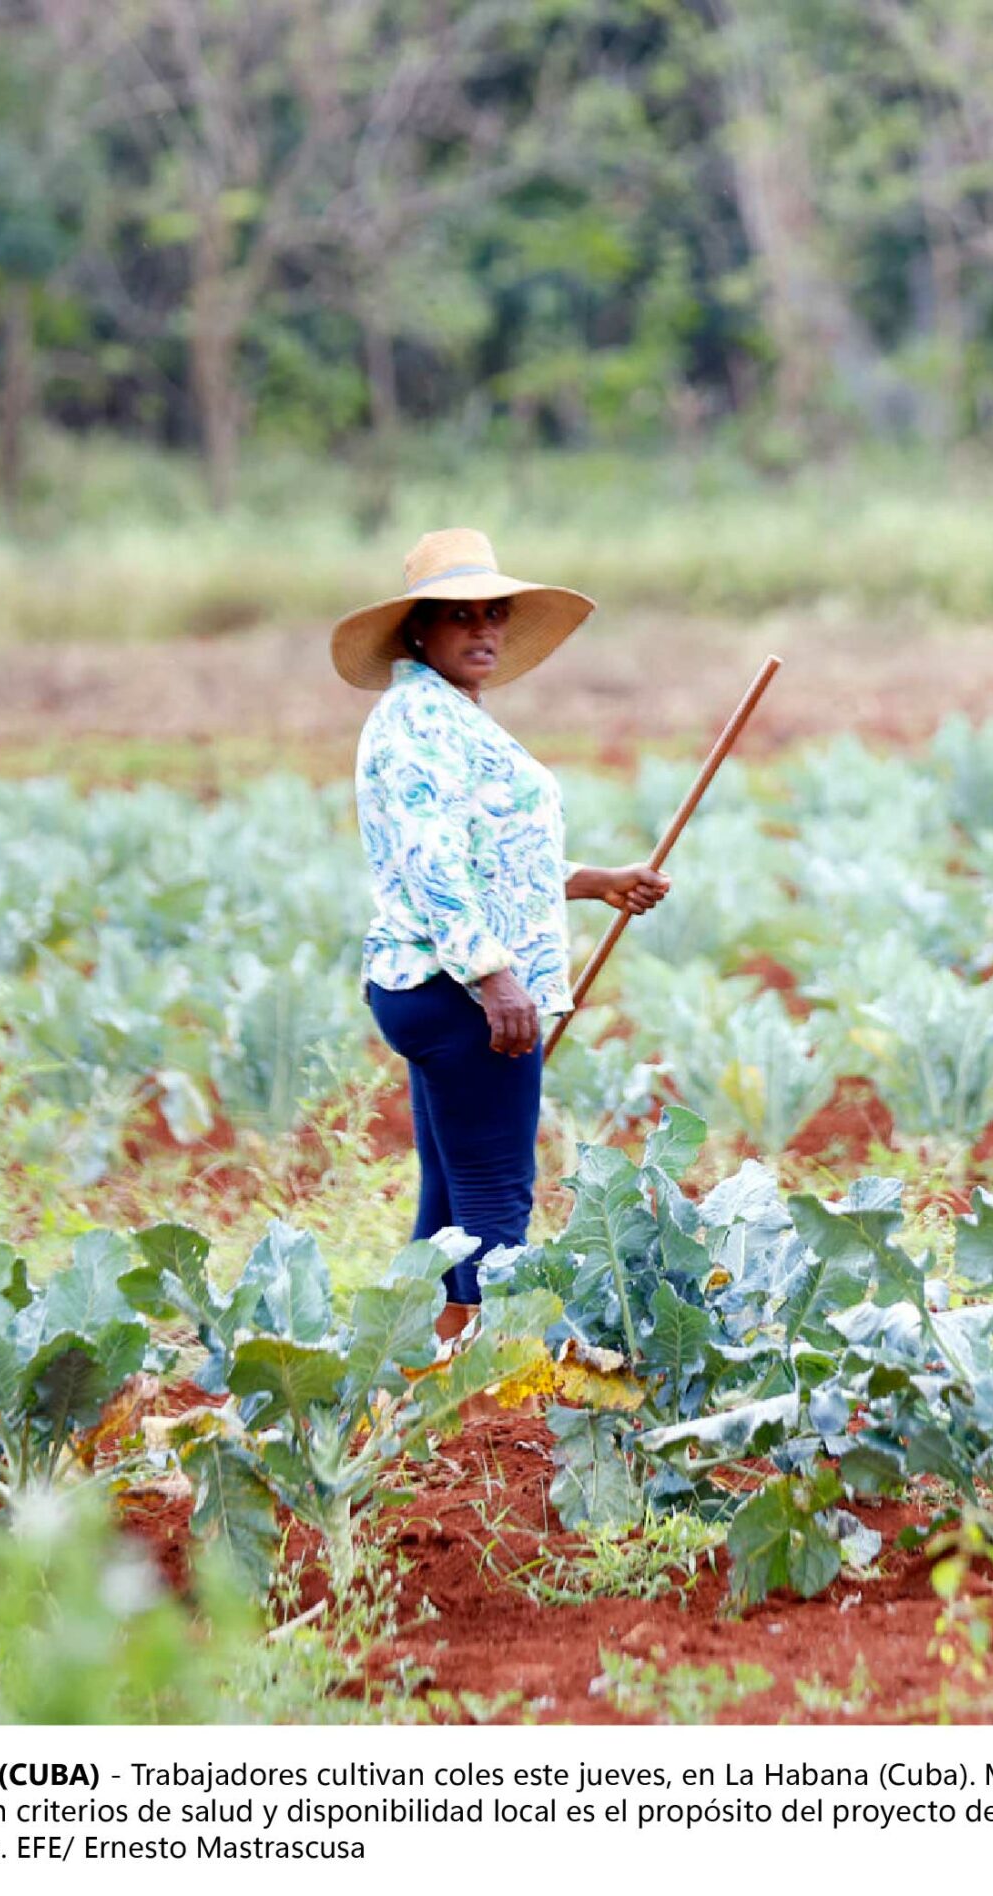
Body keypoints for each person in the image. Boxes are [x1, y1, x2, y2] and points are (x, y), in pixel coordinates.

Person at [334, 528, 671, 1343]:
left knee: (450, 1201)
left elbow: (491, 861)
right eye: (460, 616)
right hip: (457, 993)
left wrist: (594, 882)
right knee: (495, 1195)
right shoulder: (419, 721)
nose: (482, 629)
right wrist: (493, 977)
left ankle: (412, 1354)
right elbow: (432, 864)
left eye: (493, 614)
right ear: (419, 629)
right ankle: (487, 1387)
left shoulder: (442, 714)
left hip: (435, 985)